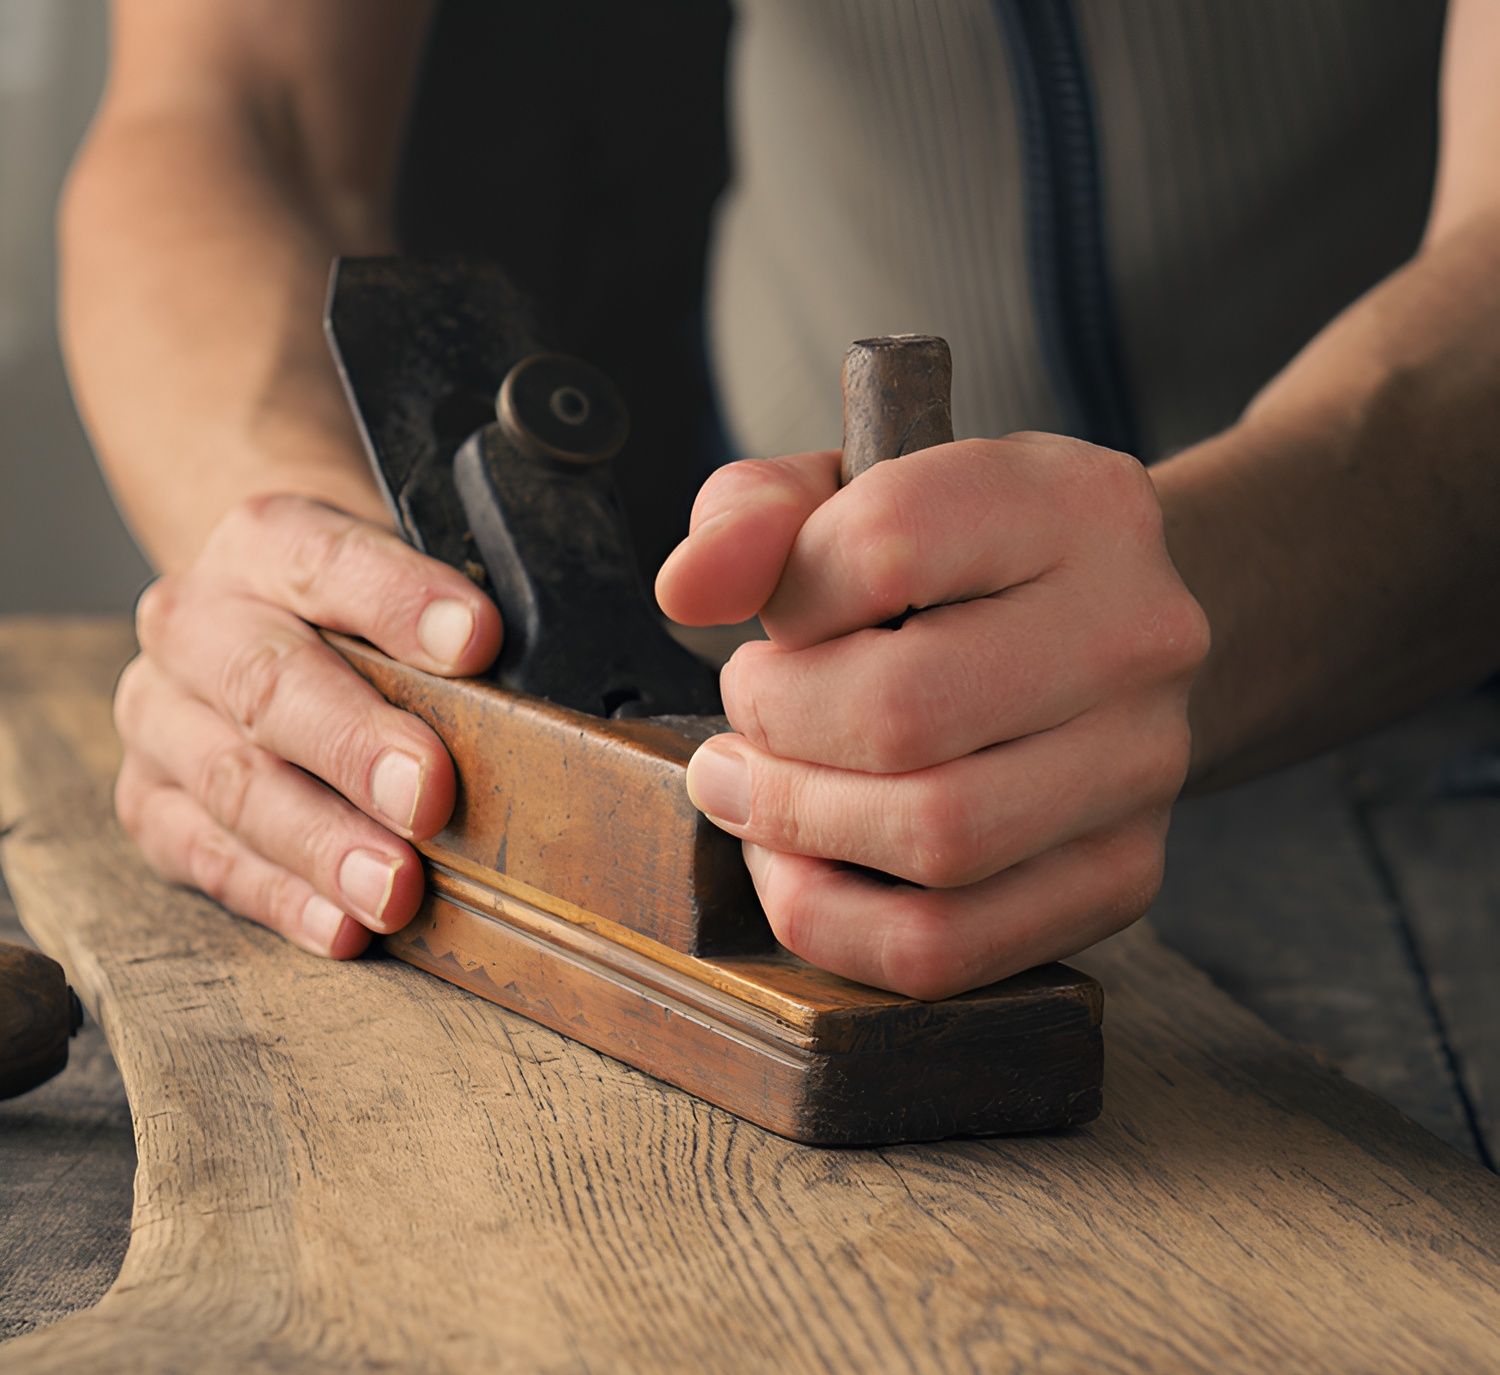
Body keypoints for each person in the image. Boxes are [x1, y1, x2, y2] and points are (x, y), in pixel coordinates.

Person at [58, 0, 1499, 1002]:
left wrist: (1213, 579)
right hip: (785, 664)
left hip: (1403, 675)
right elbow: (226, 111)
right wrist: (320, 576)